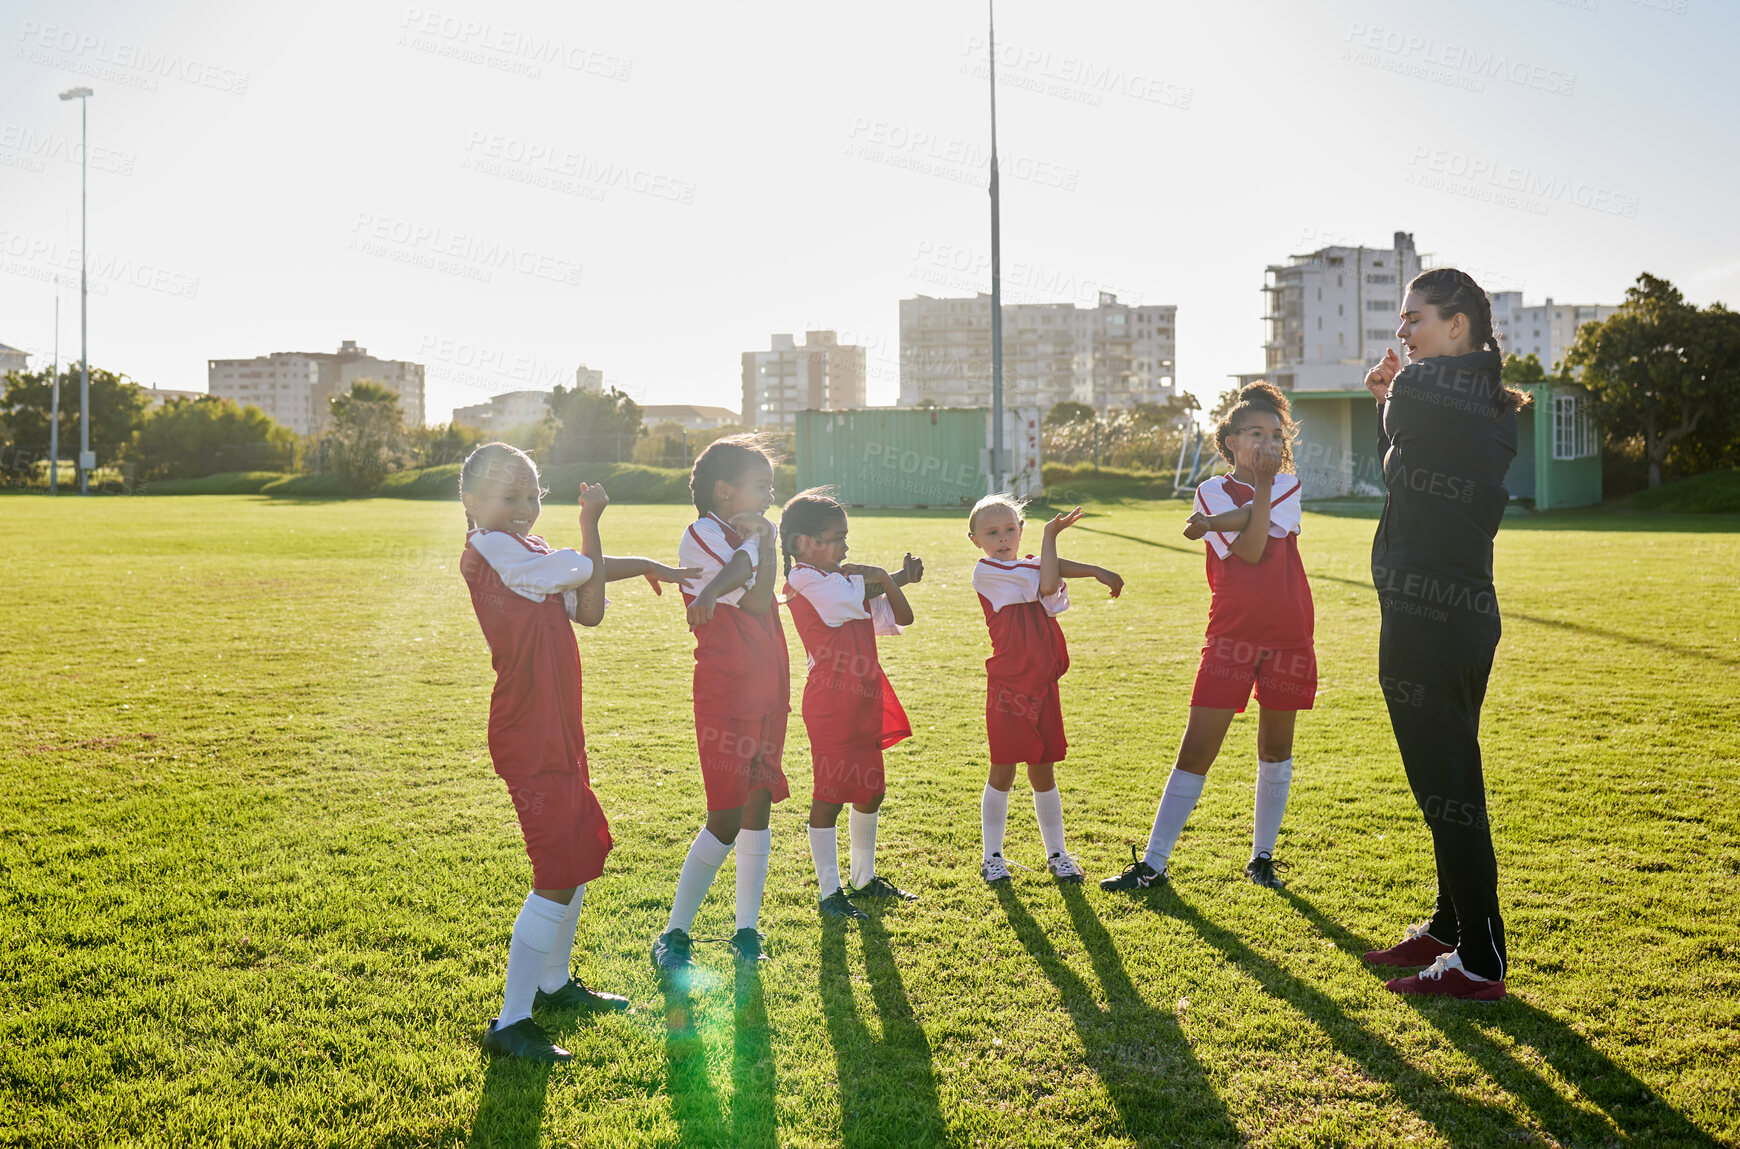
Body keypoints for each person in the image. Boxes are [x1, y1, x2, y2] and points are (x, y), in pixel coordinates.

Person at [458, 442, 694, 1062]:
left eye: (532, 497)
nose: (524, 509)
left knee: (581, 851)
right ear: (471, 503)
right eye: (508, 497)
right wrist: (590, 530)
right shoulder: (490, 548)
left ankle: (554, 985)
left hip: (559, 725)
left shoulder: (532, 551)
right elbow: (574, 572)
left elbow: (587, 609)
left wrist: (632, 559)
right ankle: (511, 1022)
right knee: (556, 868)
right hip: (528, 730)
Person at [1358, 268, 1526, 1002]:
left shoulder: (1427, 389)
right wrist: (1388, 402)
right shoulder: (1488, 398)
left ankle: (1480, 959)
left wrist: (1390, 395)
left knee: (1445, 783)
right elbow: (1404, 468)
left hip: (1430, 620)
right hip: (1459, 614)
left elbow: (1400, 436)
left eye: (1414, 317)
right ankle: (1450, 927)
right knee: (1447, 780)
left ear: (1459, 324)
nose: (1403, 331)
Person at [1101, 383, 1313, 894]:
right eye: (1254, 433)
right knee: (1196, 750)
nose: (1266, 442)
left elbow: (1254, 530)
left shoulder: (1287, 485)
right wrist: (1234, 508)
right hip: (1232, 635)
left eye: (1274, 434)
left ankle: (1262, 858)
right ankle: (1153, 864)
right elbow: (1251, 549)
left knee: (1276, 749)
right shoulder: (1210, 490)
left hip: (1289, 632)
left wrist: (1225, 516)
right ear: (1231, 441)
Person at [653, 437, 790, 974]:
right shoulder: (703, 534)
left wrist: (770, 543)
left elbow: (759, 594)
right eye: (760, 485)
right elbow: (751, 588)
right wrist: (758, 550)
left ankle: (747, 931)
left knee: (759, 806)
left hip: (768, 683)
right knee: (726, 815)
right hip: (727, 689)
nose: (769, 494)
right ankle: (674, 932)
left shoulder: (752, 533)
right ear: (724, 491)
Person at [780, 489, 923, 917]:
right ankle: (830, 893)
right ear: (804, 544)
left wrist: (898, 577)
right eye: (837, 537)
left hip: (863, 693)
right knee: (830, 795)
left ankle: (864, 878)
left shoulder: (835, 577)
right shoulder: (802, 580)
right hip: (833, 701)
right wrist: (886, 574)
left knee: (870, 790)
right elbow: (864, 592)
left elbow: (889, 607)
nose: (845, 546)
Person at [968, 495, 1123, 885]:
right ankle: (992, 857)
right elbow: (1048, 578)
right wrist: (1051, 534)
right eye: (992, 533)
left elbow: (1043, 568)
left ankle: (1057, 854)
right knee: (1003, 771)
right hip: (1010, 687)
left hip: (1043, 686)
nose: (1003, 538)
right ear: (975, 540)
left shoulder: (1027, 565)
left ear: (1020, 531)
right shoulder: (987, 571)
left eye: (1009, 529)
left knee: (1044, 770)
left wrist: (1098, 570)